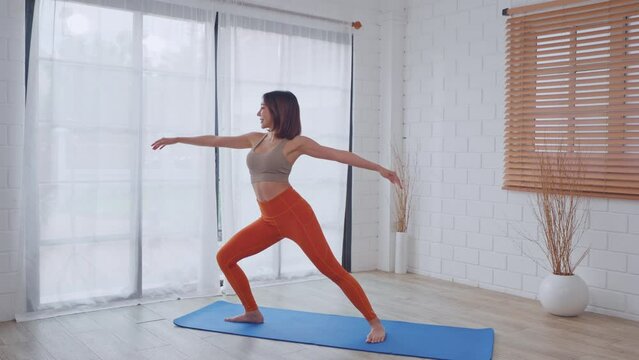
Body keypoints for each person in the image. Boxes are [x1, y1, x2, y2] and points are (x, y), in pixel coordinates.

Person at [151, 90, 400, 343]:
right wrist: (178, 139)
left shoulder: (296, 143)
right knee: (225, 257)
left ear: (279, 110)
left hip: (294, 214)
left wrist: (379, 168)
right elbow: (216, 140)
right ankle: (252, 312)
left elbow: (337, 154)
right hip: (269, 219)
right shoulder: (255, 139)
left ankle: (375, 323)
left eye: (263, 108)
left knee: (333, 271)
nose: (258, 113)